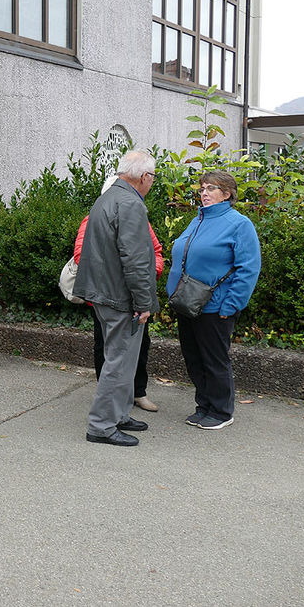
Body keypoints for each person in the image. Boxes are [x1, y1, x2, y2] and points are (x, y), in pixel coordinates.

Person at [73, 151, 158, 447]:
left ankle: (118, 414)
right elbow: (135, 260)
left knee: (120, 358)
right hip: (120, 296)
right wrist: (144, 302)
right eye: (153, 178)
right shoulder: (130, 203)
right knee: (119, 361)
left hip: (105, 293)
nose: (152, 183)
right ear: (144, 177)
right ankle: (102, 425)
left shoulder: (108, 198)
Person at [166, 170, 261, 430]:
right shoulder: (197, 220)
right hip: (187, 303)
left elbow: (249, 269)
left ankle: (221, 411)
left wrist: (231, 305)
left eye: (211, 188)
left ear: (227, 194)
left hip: (215, 306)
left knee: (214, 360)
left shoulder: (239, 224)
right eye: (202, 189)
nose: (204, 193)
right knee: (194, 358)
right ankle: (204, 406)